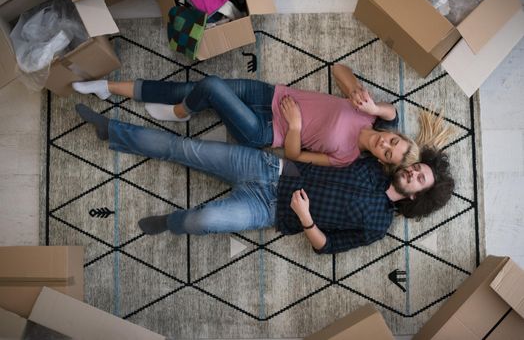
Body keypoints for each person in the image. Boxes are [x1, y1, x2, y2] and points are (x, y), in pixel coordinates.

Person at [75, 104, 454, 254]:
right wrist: (375, 110)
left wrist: (306, 218)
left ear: (415, 197)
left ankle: (171, 222)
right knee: (184, 149)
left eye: (418, 178)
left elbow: (325, 247)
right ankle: (112, 131)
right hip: (269, 169)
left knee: (202, 220)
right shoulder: (377, 163)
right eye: (417, 167)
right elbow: (384, 124)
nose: (411, 172)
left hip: (269, 210)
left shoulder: (378, 225)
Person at [72, 64, 419, 171]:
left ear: (381, 160)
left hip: (265, 131)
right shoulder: (369, 114)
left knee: (208, 86)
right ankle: (107, 87)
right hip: (271, 94)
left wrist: (295, 126)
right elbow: (339, 70)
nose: (386, 144)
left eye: (388, 153)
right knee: (190, 87)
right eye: (394, 141)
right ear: (395, 134)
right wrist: (367, 102)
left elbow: (295, 155)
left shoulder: (346, 157)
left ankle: (182, 114)